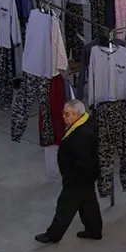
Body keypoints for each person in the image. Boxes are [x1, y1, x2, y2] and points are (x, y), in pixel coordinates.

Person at [36, 99, 102, 244]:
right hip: (86, 178)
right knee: (88, 204)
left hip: (77, 179)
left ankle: (53, 235)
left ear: (77, 115)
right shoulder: (87, 122)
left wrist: (72, 179)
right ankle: (94, 230)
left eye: (67, 114)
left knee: (64, 208)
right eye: (63, 113)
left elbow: (83, 161)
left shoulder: (81, 135)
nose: (64, 117)